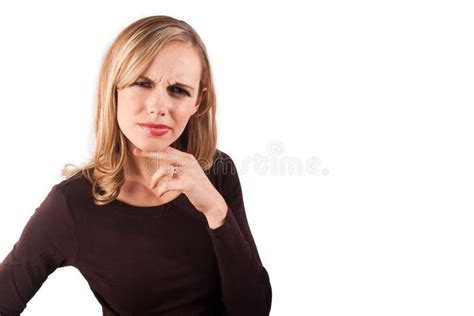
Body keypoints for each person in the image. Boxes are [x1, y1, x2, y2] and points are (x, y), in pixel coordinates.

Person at [0, 15, 272, 315]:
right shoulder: (72, 204)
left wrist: (216, 210)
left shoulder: (217, 171)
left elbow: (254, 310)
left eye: (178, 90)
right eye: (142, 83)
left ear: (198, 102)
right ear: (114, 89)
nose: (158, 106)